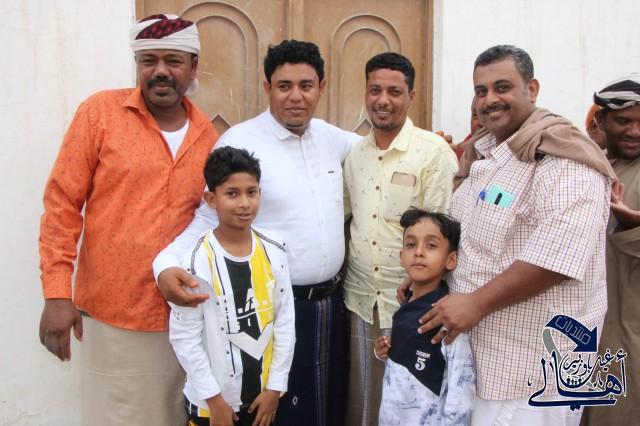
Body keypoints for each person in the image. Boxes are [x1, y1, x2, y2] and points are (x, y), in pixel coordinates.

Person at [153, 40, 359, 426]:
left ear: (321, 87)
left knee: (325, 412)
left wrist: (442, 147)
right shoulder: (240, 142)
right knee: (274, 412)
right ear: (267, 87)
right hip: (270, 313)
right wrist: (164, 266)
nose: (295, 96)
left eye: (306, 85)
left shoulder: (332, 138)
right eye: (284, 86)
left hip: (332, 307)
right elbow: (206, 219)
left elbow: (381, 151)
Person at [416, 45, 616, 425]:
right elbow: (472, 242)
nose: (489, 99)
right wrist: (430, 278)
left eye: (502, 87)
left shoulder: (566, 160)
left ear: (532, 89)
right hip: (479, 362)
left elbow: (556, 259)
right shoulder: (486, 155)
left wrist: (476, 303)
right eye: (481, 91)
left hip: (531, 372)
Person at [37, 14, 218, 425]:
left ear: (193, 66)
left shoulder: (207, 136)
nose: (160, 71)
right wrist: (56, 294)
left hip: (181, 318)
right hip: (112, 315)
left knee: (173, 416)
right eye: (148, 60)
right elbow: (62, 203)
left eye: (173, 61)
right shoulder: (100, 114)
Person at [343, 52, 458, 426]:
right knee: (365, 402)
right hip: (361, 300)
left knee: (412, 404)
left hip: (414, 307)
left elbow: (442, 229)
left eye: (394, 92)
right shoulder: (354, 156)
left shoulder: (433, 152)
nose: (383, 100)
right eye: (375, 90)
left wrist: (422, 292)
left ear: (411, 96)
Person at [169, 147, 295, 426]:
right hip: (213, 408)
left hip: (262, 401)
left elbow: (284, 321)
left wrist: (275, 387)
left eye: (252, 192)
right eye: (232, 194)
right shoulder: (196, 262)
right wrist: (215, 401)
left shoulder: (275, 250)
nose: (244, 203)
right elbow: (185, 338)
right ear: (211, 199)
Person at [375, 208, 475, 425]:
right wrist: (383, 351)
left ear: (451, 259)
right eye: (411, 244)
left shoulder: (446, 315)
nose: (419, 252)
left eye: (431, 245)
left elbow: (460, 388)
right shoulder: (406, 303)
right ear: (402, 256)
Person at [582, 74, 640, 425]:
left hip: (628, 332)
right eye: (624, 121)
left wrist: (632, 225)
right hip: (585, 330)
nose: (634, 131)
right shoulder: (588, 168)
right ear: (601, 121)